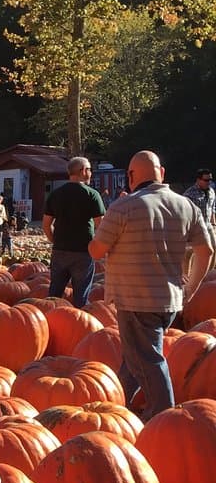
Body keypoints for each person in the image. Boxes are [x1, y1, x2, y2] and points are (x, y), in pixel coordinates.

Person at [88, 150, 213, 420]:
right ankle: (117, 405)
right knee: (136, 358)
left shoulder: (123, 207)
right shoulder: (185, 205)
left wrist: (107, 218)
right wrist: (190, 288)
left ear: (131, 176)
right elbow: (207, 251)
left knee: (149, 360)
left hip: (135, 300)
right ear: (162, 174)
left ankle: (163, 417)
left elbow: (96, 250)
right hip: (169, 299)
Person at [43, 157, 106, 308]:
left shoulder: (55, 194)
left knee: (54, 294)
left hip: (59, 251)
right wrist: (97, 247)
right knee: (81, 295)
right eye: (90, 169)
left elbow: (46, 224)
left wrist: (54, 240)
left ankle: (48, 321)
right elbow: (102, 226)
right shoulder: (92, 194)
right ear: (83, 171)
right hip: (83, 252)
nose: (91, 173)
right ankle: (80, 326)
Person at [183, 167, 216, 231]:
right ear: (198, 180)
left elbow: (212, 209)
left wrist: (214, 225)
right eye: (206, 180)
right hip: (196, 229)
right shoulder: (189, 194)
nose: (209, 182)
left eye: (210, 180)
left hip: (209, 226)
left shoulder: (211, 192)